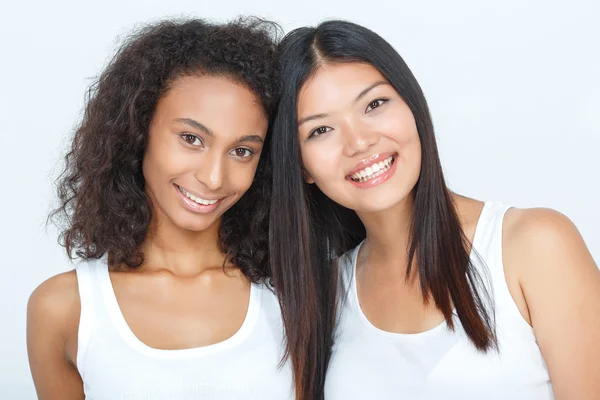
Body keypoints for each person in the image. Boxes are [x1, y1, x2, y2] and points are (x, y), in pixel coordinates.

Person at [269, 20, 600, 400]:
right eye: (320, 130)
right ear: (301, 167)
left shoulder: (534, 245)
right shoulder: (325, 294)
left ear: (413, 105)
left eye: (374, 105)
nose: (359, 142)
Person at [27, 18, 297, 399]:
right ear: (138, 131)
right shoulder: (64, 308)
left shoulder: (293, 294)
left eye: (242, 151)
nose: (214, 177)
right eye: (191, 138)